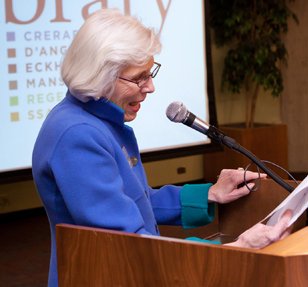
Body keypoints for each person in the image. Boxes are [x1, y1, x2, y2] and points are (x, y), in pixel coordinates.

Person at [32, 9, 292, 287]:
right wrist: (237, 248)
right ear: (100, 75)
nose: (151, 87)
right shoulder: (78, 136)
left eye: (150, 73)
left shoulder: (93, 122)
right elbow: (129, 245)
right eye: (139, 77)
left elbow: (135, 203)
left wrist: (211, 194)